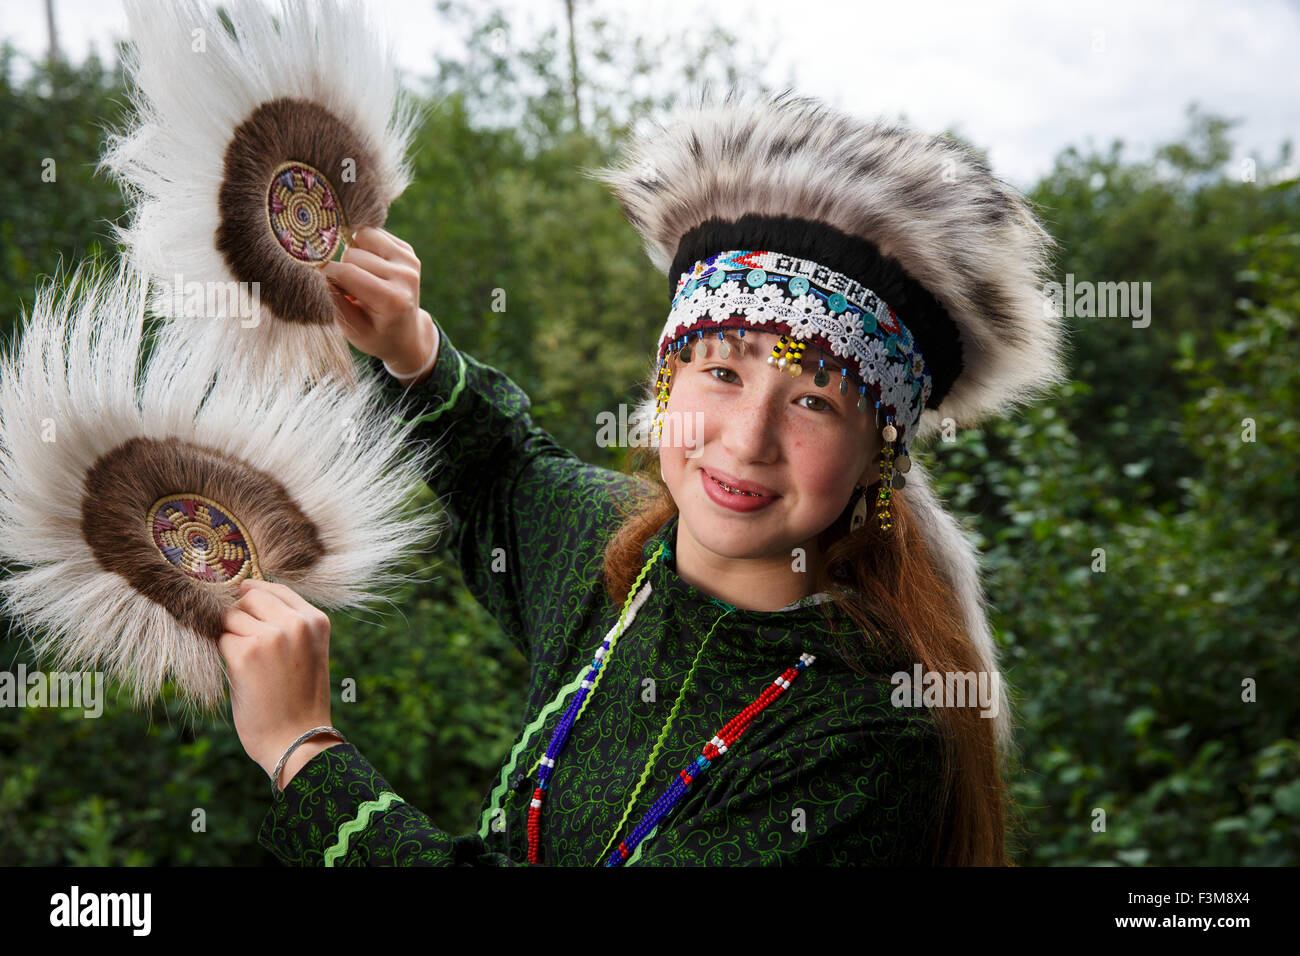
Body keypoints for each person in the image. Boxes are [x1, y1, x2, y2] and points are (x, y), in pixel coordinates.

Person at [219, 90, 1067, 866]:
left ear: (879, 453)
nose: (747, 441)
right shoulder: (611, 546)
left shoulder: (872, 742)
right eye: (722, 373)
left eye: (815, 400)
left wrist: (306, 752)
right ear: (666, 382)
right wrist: (407, 343)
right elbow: (499, 469)